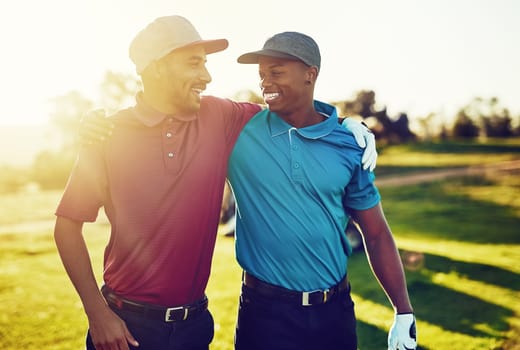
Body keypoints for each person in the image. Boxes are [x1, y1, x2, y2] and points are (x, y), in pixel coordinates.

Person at [54, 15, 376, 350]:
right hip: (125, 326)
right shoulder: (107, 133)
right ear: (158, 66)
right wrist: (97, 314)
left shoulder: (220, 116)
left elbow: (293, 108)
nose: (206, 77)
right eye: (194, 64)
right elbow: (67, 226)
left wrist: (344, 122)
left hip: (193, 328)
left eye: (205, 64)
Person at [227, 32, 417, 350]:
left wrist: (403, 312)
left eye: (276, 72)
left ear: (310, 74)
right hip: (264, 315)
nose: (265, 84)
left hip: (334, 312)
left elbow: (376, 233)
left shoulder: (347, 144)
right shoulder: (240, 129)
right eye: (261, 75)